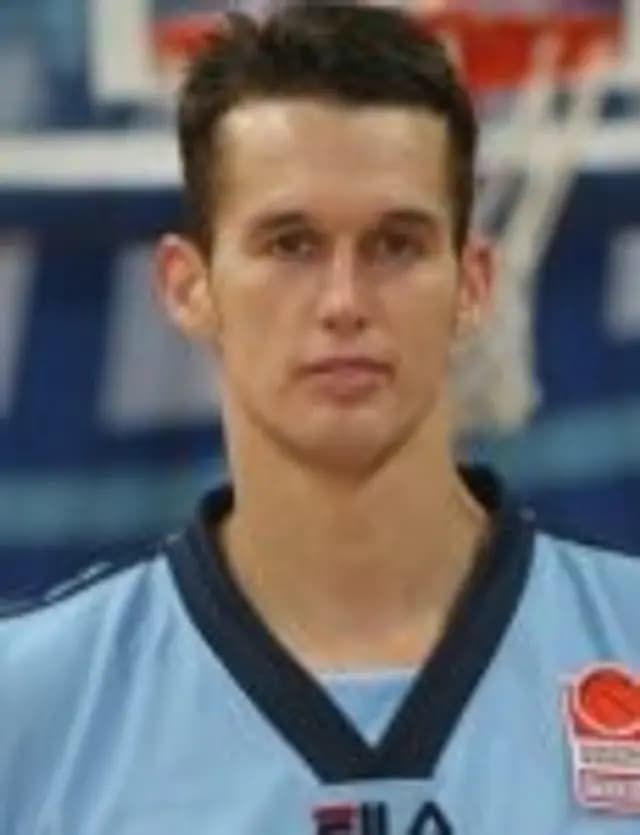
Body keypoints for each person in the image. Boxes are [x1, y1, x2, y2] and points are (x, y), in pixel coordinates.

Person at [1, 4, 639, 833]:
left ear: (474, 284)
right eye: (291, 244)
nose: (344, 301)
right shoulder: (32, 706)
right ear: (187, 286)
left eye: (396, 245)